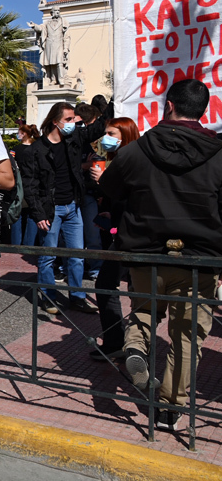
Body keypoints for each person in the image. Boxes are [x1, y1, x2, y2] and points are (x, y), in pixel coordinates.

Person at [99, 79, 222, 431]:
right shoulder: (218, 154)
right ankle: (170, 406)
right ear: (204, 110)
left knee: (143, 310)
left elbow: (109, 190)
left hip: (144, 254)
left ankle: (136, 348)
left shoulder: (135, 151)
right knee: (187, 333)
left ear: (168, 106)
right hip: (198, 260)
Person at [22, 101, 107, 314]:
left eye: (74, 119)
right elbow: (30, 185)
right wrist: (39, 214)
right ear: (55, 121)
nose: (73, 124)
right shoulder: (36, 149)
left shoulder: (73, 139)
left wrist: (115, 101)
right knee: (48, 255)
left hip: (73, 207)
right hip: (51, 210)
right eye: (68, 120)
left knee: (77, 255)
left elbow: (97, 128)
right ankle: (48, 296)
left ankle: (77, 296)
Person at [86, 117, 140, 361]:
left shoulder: (130, 161)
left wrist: (103, 183)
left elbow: (131, 198)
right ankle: (124, 342)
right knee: (127, 287)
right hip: (121, 231)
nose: (105, 138)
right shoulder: (119, 159)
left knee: (108, 284)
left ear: (124, 136)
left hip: (130, 236)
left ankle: (119, 342)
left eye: (111, 133)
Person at [76, 103, 105, 280]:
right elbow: (70, 168)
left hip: (89, 193)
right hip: (74, 194)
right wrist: (85, 165)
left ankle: (95, 268)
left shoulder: (87, 142)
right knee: (74, 237)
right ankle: (73, 268)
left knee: (93, 234)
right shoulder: (72, 140)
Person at [11, 123, 41, 246]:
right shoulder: (38, 149)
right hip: (34, 186)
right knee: (33, 216)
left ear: (23, 134)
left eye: (19, 133)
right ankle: (30, 246)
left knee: (16, 216)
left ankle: (15, 246)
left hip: (19, 187)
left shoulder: (15, 151)